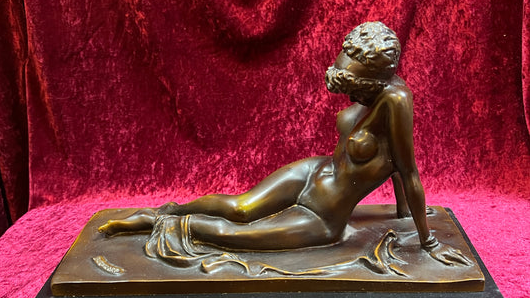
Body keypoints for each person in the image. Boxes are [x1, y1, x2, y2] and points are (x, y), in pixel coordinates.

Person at [99, 22, 470, 267]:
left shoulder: (397, 101)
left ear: (377, 80)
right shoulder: (373, 91)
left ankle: (163, 224)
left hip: (324, 216)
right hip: (313, 172)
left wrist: (427, 242)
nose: (350, 97)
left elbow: (407, 171)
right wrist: (401, 211)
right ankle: (166, 211)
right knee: (241, 206)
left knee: (233, 236)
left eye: (355, 88)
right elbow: (395, 167)